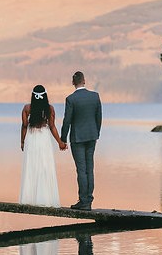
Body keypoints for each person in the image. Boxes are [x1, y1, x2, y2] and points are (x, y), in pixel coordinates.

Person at [60, 71, 102, 210]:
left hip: (77, 138)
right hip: (92, 136)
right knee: (90, 169)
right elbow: (99, 117)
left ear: (73, 83)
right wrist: (96, 133)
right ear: (84, 81)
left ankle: (83, 201)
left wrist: (63, 138)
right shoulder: (95, 96)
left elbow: (67, 120)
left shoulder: (71, 99)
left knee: (81, 170)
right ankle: (88, 200)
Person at [19, 84, 67, 207]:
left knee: (31, 165)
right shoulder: (50, 109)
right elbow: (52, 126)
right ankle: (45, 199)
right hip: (44, 138)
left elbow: (24, 126)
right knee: (45, 166)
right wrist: (60, 142)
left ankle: (29, 199)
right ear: (45, 96)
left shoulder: (27, 108)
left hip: (32, 136)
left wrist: (22, 141)